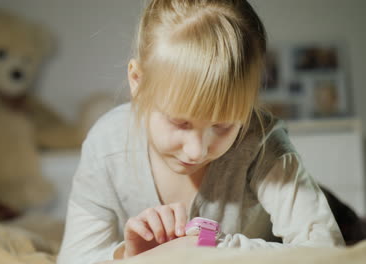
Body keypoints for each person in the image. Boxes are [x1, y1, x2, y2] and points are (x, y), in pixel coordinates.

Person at [57, 0, 345, 263]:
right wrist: (129, 257)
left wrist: (209, 247)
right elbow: (74, 257)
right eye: (180, 123)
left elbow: (326, 252)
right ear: (137, 81)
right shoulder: (106, 144)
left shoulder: (261, 143)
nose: (196, 150)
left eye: (223, 125)